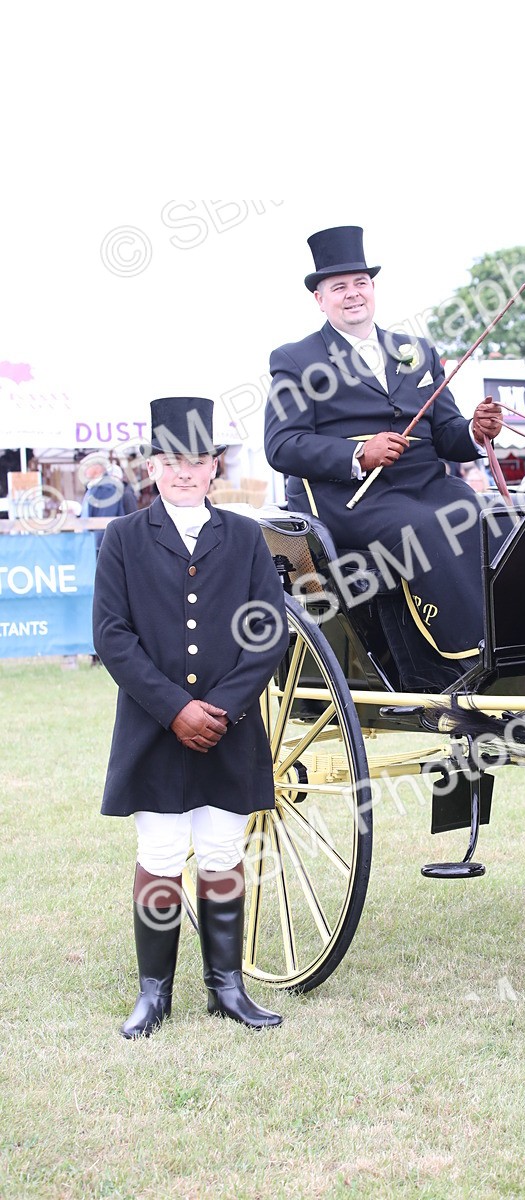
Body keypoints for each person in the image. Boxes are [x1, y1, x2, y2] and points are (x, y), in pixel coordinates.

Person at [93, 397, 289, 1038]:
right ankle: (154, 994)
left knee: (222, 852)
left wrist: (222, 707)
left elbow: (268, 629)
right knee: (160, 853)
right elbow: (112, 636)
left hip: (228, 727)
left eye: (197, 460)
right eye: (171, 460)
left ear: (214, 468)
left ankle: (226, 988)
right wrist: (175, 708)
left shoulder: (245, 536)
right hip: (154, 727)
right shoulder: (122, 538)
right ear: (152, 467)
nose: (184, 471)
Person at [264, 225, 503, 672]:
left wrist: (475, 431)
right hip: (352, 498)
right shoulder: (296, 359)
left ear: (373, 289)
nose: (353, 294)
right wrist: (357, 455)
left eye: (361, 283)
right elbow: (281, 445)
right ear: (320, 298)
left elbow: (446, 431)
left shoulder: (418, 350)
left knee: (496, 520)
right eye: (339, 287)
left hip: (428, 486)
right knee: (427, 528)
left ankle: (510, 643)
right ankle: (461, 658)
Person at [80, 452, 138, 552]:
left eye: (87, 466)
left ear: (97, 468)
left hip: (101, 548)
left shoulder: (107, 489)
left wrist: (96, 550)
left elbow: (103, 523)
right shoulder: (95, 488)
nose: (84, 470)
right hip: (93, 546)